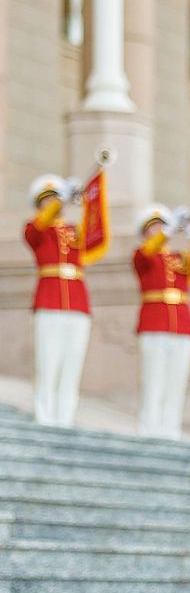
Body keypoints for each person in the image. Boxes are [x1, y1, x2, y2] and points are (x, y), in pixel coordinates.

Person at [24, 174, 91, 427]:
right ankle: (45, 415)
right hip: (49, 300)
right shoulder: (34, 228)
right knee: (48, 361)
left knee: (72, 363)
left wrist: (89, 199)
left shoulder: (74, 232)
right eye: (48, 200)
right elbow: (39, 226)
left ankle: (65, 416)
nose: (53, 204)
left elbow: (97, 235)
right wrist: (61, 198)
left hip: (77, 303)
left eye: (55, 199)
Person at [133, 204, 190, 439]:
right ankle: (148, 428)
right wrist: (168, 232)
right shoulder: (142, 254)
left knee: (176, 381)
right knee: (153, 378)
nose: (159, 231)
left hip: (181, 324)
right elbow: (148, 252)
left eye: (162, 226)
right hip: (154, 322)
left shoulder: (180, 259)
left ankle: (171, 429)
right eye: (154, 227)